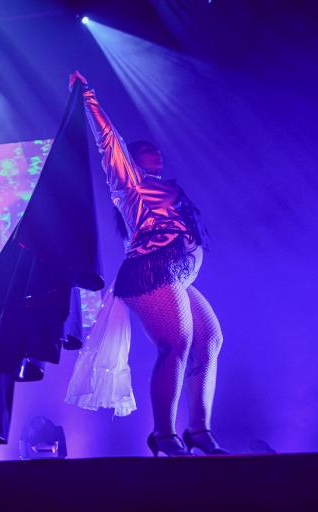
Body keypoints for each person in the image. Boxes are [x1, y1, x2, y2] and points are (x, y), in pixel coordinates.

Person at [68, 71, 226, 456]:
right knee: (176, 344)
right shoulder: (130, 183)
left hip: (177, 275)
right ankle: (164, 434)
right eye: (145, 149)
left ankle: (198, 430)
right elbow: (109, 140)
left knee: (210, 340)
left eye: (157, 149)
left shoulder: (168, 189)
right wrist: (88, 97)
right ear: (132, 158)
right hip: (151, 271)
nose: (155, 150)